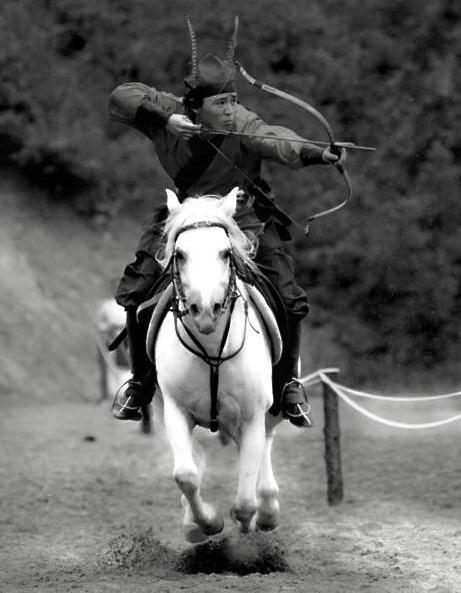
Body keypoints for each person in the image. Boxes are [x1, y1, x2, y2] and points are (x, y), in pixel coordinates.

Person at [109, 17, 346, 428]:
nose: (232, 110)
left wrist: (315, 153)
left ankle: (288, 384)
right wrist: (164, 121)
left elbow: (276, 139)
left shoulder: (244, 124)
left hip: (245, 220)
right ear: (194, 106)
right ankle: (140, 384)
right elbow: (121, 95)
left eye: (234, 101)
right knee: (135, 291)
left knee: (290, 299)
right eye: (222, 104)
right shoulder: (169, 114)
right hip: (183, 217)